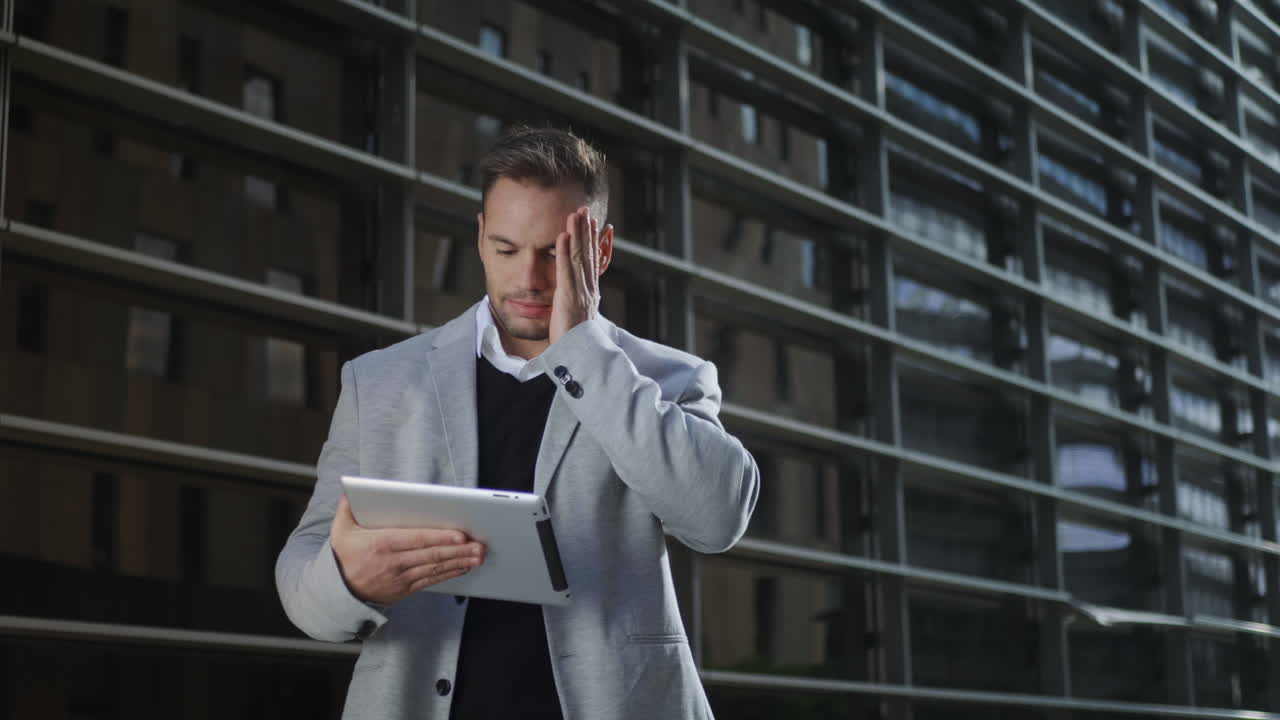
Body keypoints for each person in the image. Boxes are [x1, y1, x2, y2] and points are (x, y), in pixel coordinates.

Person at [275, 125, 760, 720]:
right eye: (506, 250)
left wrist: (583, 348)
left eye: (554, 254)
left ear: (599, 251)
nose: (528, 280)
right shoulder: (380, 381)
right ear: (480, 239)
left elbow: (716, 519)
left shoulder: (668, 378)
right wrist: (350, 579)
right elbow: (303, 578)